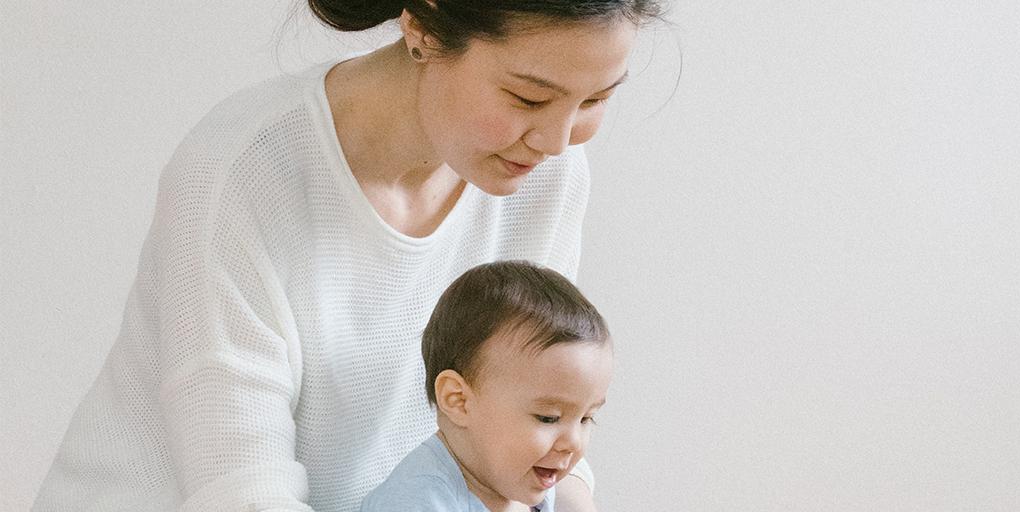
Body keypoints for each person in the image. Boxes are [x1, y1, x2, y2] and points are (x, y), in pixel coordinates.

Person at [33, 1, 663, 511]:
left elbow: (533, 400)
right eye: (528, 98)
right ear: (422, 25)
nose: (556, 141)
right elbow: (243, 491)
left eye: (593, 101)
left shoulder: (543, 174)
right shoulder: (241, 171)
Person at [360, 261, 613, 512]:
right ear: (458, 400)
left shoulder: (523, 487)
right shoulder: (415, 501)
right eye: (548, 418)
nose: (573, 442)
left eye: (586, 419)